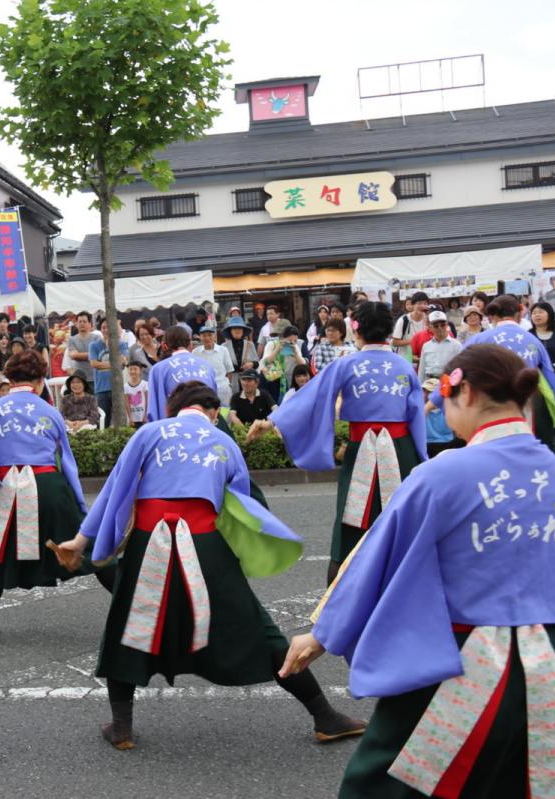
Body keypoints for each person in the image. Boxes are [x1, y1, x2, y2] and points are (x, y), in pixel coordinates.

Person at [281, 344, 555, 798]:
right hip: (551, 668)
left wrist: (322, 633)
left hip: (462, 667)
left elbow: (379, 555)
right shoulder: (552, 468)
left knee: (385, 787)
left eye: (444, 398)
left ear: (465, 392)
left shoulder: (445, 471)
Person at [58, 382, 365, 750]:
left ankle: (122, 727)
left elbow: (115, 490)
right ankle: (324, 716)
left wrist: (80, 541)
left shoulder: (150, 432)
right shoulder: (223, 442)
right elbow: (244, 503)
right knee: (255, 625)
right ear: (212, 411)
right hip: (205, 546)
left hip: (147, 544)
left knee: (130, 624)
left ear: (174, 408)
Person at [0, 351, 116, 643]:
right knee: (88, 548)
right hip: (49, 487)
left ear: (9, 378)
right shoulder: (50, 411)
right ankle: (128, 611)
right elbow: (66, 460)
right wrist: (78, 501)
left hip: (6, 489)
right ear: (41, 380)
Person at [247, 302, 426, 584]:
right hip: (400, 451)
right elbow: (416, 416)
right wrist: (421, 458)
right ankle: (405, 590)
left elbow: (311, 397)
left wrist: (271, 422)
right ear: (389, 332)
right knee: (403, 519)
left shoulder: (347, 363)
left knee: (350, 524)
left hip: (361, 450)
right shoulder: (403, 366)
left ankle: (335, 605)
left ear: (357, 331)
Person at [467, 295, 555, 545]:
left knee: (491, 464)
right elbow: (550, 378)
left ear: (491, 316)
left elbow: (458, 371)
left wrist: (433, 403)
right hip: (534, 403)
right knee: (551, 461)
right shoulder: (530, 339)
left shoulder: (480, 339)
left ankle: (499, 528)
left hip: (496, 404)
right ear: (519, 313)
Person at [146, 326, 218, 422]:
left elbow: (153, 411)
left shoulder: (158, 369)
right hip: (205, 427)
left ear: (164, 346)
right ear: (189, 344)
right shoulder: (207, 367)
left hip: (173, 429)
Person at [89, 319, 129, 420]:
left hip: (118, 387)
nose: (106, 330)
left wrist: (109, 345)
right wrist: (115, 364)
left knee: (120, 419)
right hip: (101, 388)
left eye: (108, 327)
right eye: (103, 327)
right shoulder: (94, 345)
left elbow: (124, 361)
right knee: (103, 419)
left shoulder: (121, 344)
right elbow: (94, 363)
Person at [260, 325, 305, 401]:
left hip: (289, 380)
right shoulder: (271, 345)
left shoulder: (295, 347)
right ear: (282, 338)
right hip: (273, 380)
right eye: (289, 340)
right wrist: (277, 350)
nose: (292, 343)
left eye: (295, 341)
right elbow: (266, 362)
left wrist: (296, 354)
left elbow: (303, 365)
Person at [416, 310, 463, 381]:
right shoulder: (426, 346)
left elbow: (460, 369)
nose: (439, 328)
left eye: (442, 325)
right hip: (429, 383)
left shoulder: (457, 345)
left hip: (448, 382)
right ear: (430, 328)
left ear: (447, 325)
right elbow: (422, 369)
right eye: (436, 326)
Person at [194, 324, 235, 404]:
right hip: (204, 391)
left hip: (223, 389)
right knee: (207, 413)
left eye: (210, 335)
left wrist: (227, 384)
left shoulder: (223, 350)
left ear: (215, 336)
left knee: (224, 413)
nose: (207, 338)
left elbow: (229, 371)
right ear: (200, 337)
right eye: (204, 336)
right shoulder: (195, 352)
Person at [421, 377, 460, 458]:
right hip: (427, 445)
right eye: (424, 391)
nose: (425, 394)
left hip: (446, 445)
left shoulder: (447, 410)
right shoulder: (421, 410)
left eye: (428, 392)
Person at [391, 291, 428, 365]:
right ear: (413, 305)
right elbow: (394, 342)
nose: (422, 306)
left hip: (423, 361)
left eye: (425, 303)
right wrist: (414, 340)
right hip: (405, 361)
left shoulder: (428, 321)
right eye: (419, 303)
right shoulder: (404, 320)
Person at [67, 312, 100, 390]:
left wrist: (78, 355)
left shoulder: (96, 338)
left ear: (89, 324)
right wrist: (91, 355)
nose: (82, 324)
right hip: (79, 379)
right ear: (76, 324)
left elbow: (99, 355)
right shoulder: (72, 339)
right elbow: (73, 355)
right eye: (80, 321)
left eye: (84, 321)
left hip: (95, 377)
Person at [124, 361, 149, 427]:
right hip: (132, 419)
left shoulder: (145, 384)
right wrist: (130, 418)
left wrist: (146, 415)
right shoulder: (125, 386)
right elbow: (126, 403)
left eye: (135, 369)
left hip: (143, 418)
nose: (132, 371)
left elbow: (148, 401)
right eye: (130, 369)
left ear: (140, 370)